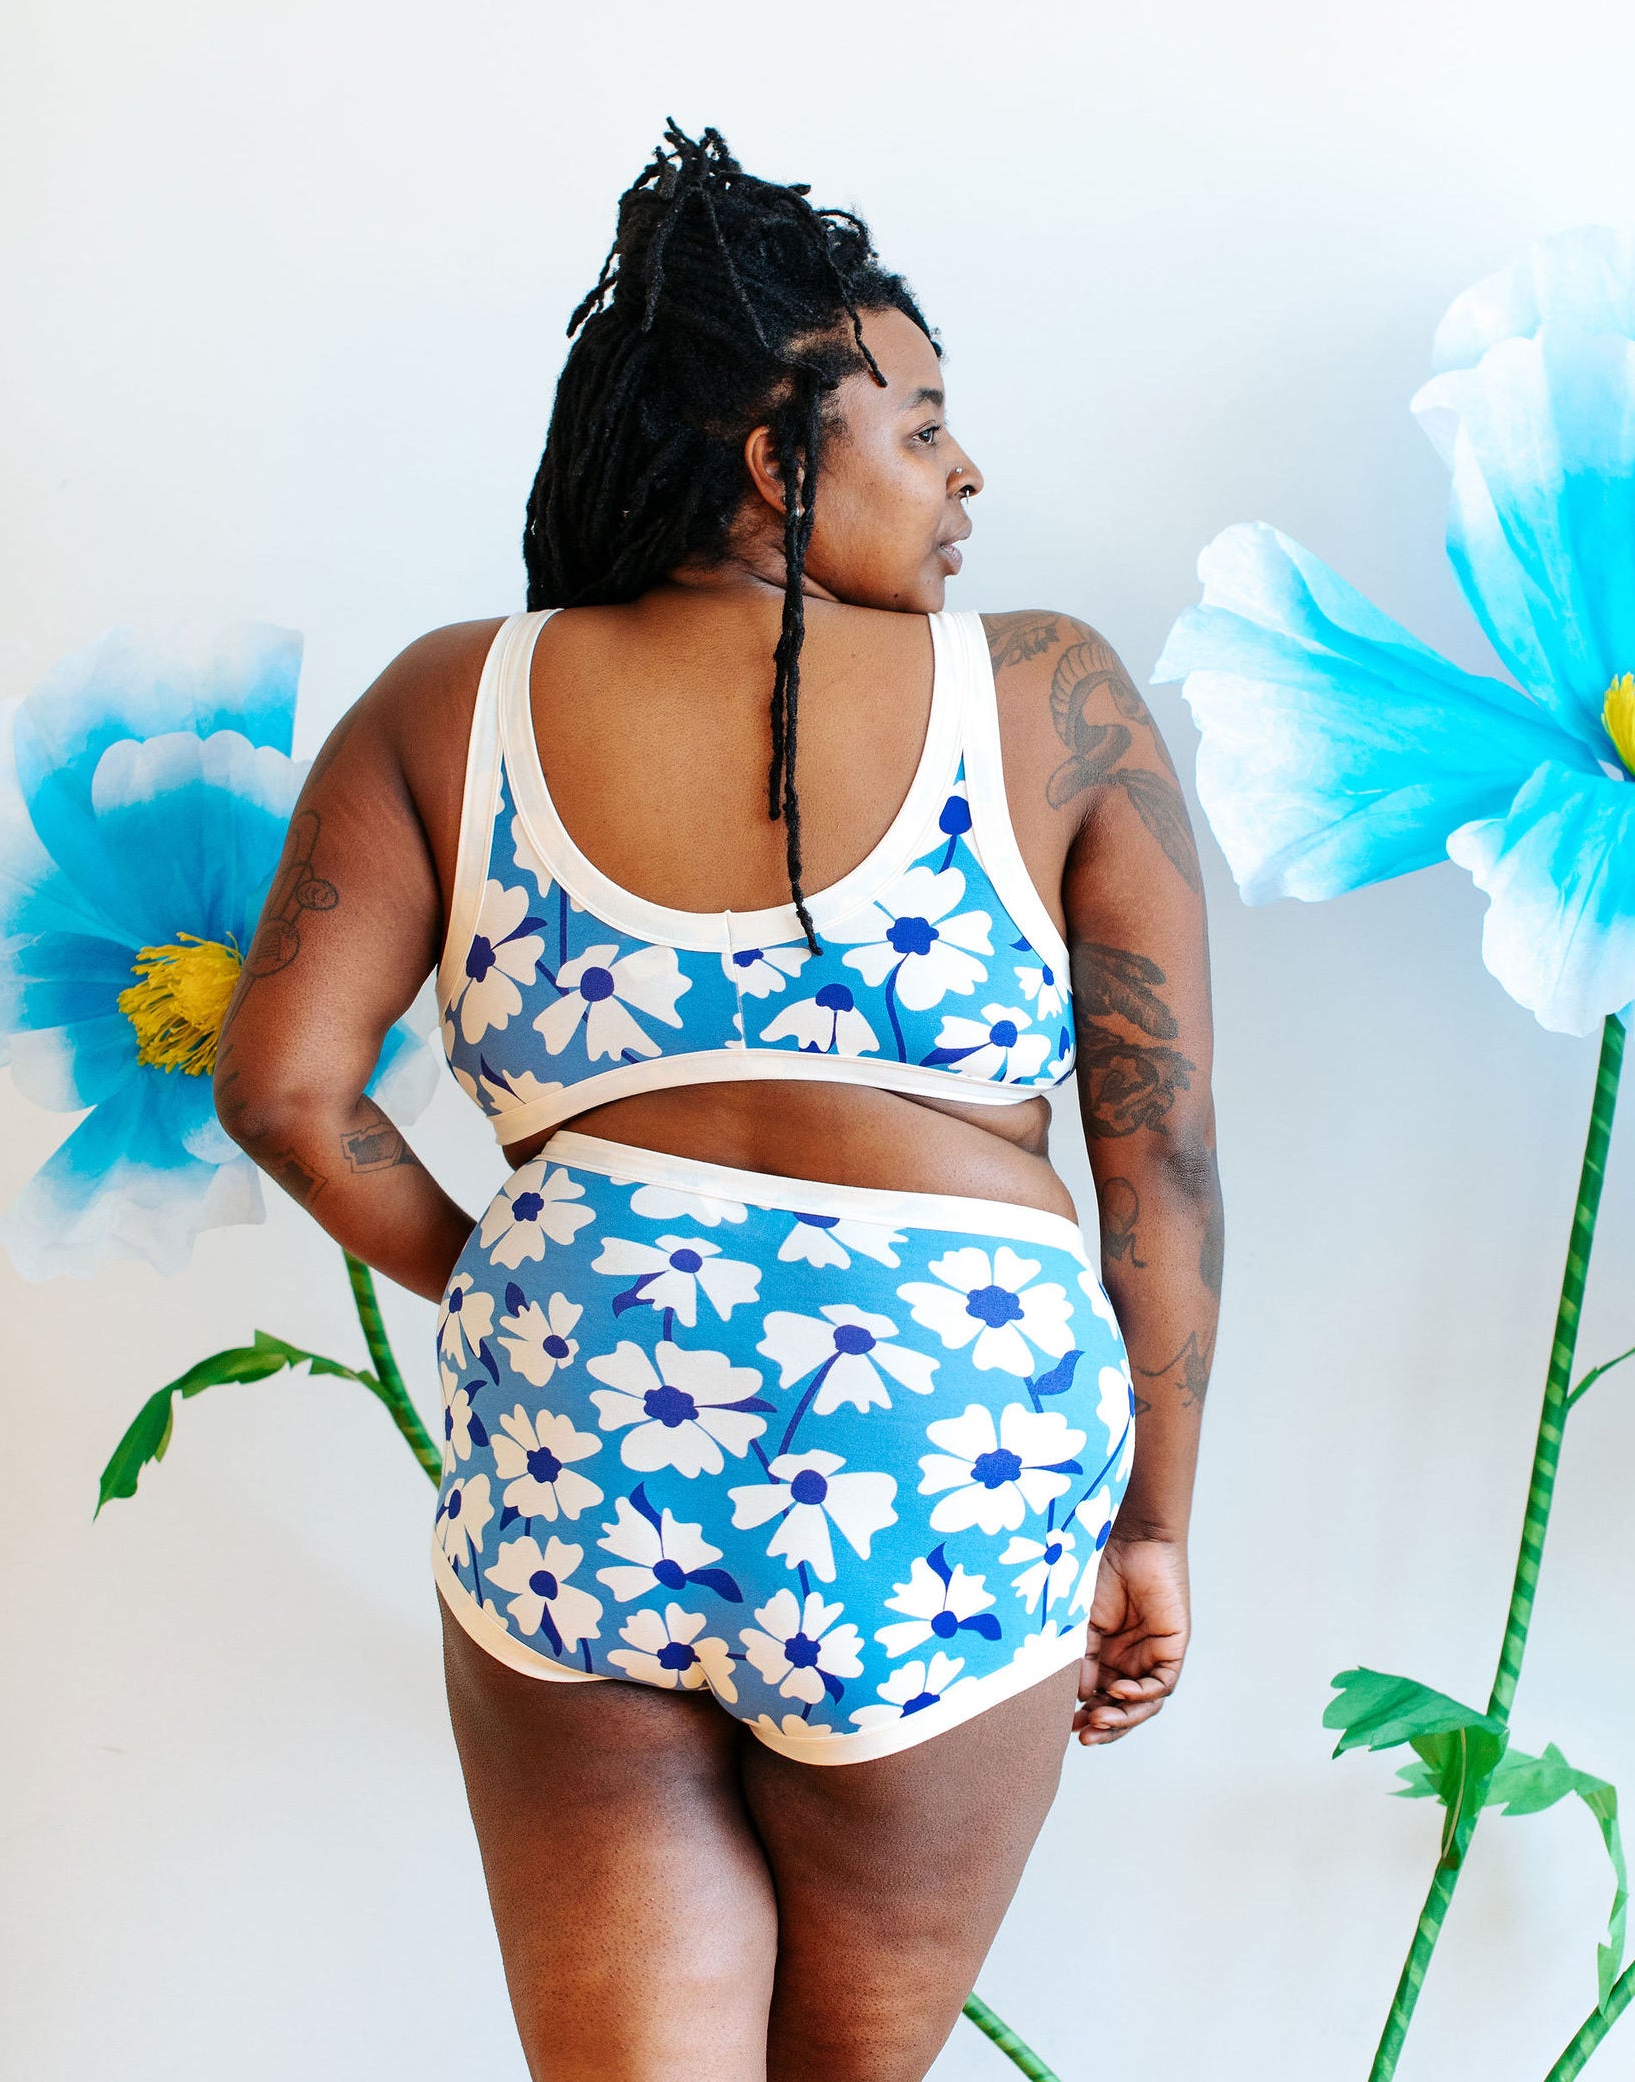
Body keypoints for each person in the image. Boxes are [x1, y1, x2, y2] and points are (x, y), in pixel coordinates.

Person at [216, 120, 1221, 2082]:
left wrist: (530, 1281)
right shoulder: (1047, 696)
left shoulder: (453, 700)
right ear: (777, 461)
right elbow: (1157, 1161)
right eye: (916, 425)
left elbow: (280, 1089)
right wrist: (1153, 1525)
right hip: (937, 1439)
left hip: (585, 1402)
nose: (964, 474)